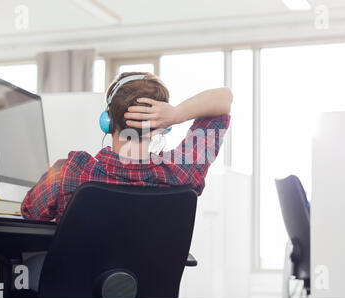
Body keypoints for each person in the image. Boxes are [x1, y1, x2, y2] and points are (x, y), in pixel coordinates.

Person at [21, 72, 232, 222]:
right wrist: (176, 114)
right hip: (150, 286)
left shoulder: (69, 173)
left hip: (78, 284)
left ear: (107, 121)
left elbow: (30, 212)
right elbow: (224, 99)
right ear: (162, 126)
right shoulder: (183, 172)